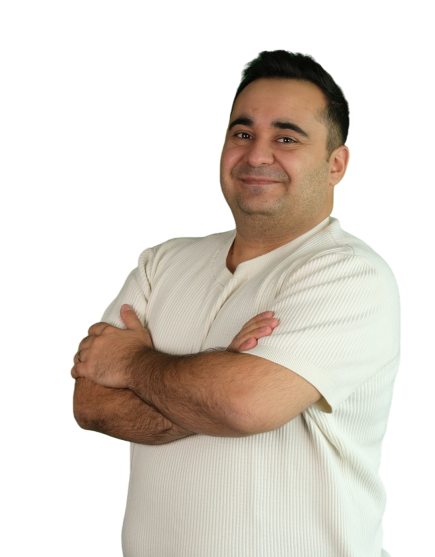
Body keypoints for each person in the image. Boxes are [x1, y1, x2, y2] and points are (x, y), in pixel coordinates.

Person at [71, 49, 400, 557]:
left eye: (286, 138)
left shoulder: (350, 273)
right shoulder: (162, 261)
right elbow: (90, 404)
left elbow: (244, 405)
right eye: (242, 133)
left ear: (336, 164)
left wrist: (132, 363)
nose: (257, 155)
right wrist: (219, 376)